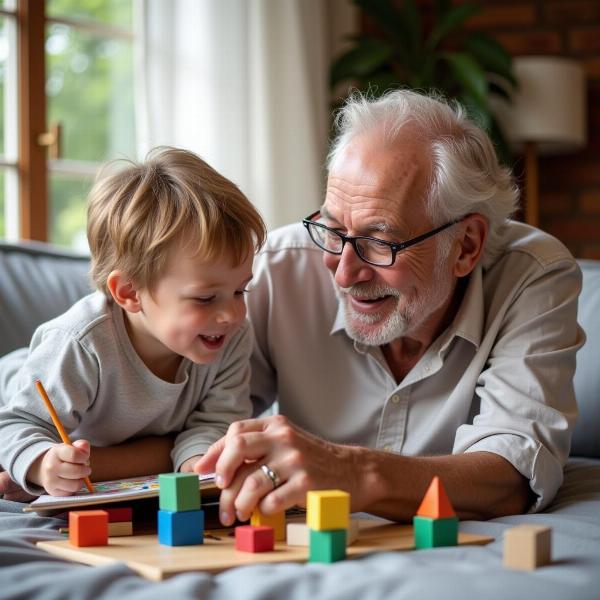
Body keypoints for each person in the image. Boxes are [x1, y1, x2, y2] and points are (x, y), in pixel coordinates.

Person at [195, 90, 585, 526]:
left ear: (466, 245)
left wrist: (352, 472)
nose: (343, 273)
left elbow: (514, 474)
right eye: (333, 229)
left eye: (379, 242)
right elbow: (195, 419)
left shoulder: (533, 276)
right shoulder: (275, 271)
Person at [0, 147, 265, 498]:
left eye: (240, 290)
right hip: (16, 389)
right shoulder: (81, 343)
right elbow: (17, 422)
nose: (232, 314)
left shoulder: (229, 337)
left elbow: (215, 422)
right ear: (128, 292)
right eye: (205, 298)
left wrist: (198, 464)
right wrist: (41, 461)